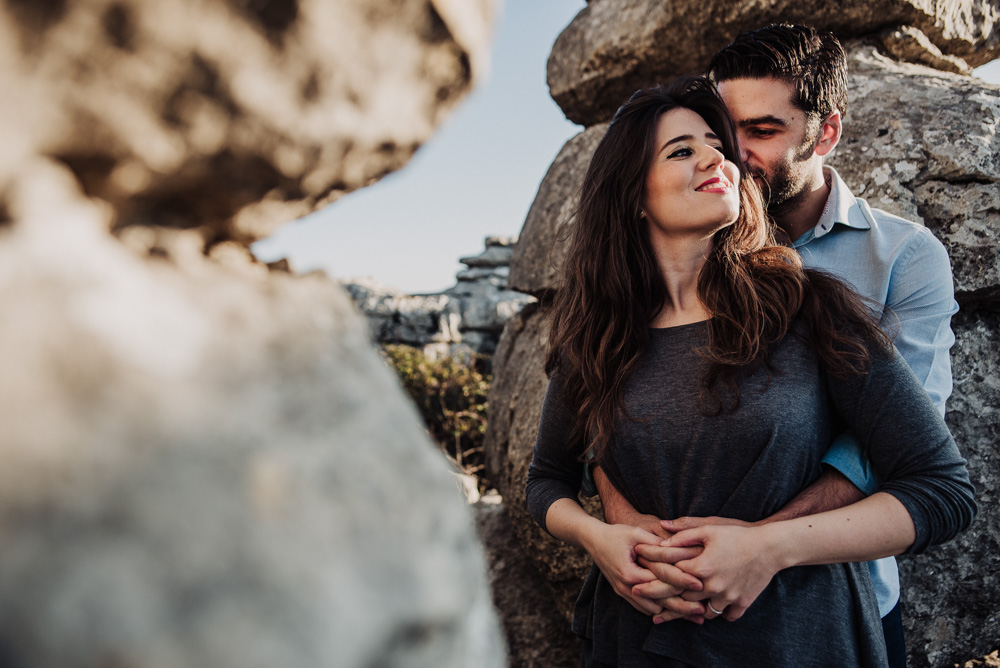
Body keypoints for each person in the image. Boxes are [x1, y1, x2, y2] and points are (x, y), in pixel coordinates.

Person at [524, 76, 976, 667]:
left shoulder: (810, 307)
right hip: (636, 641)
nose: (718, 157)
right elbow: (547, 480)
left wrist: (767, 549)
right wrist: (599, 539)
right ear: (632, 194)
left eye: (718, 144)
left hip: (798, 641)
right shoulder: (598, 334)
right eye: (682, 150)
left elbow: (943, 490)